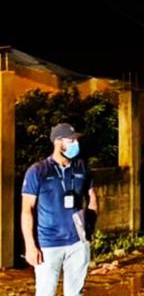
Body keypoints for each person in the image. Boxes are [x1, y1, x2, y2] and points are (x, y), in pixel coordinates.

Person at [20, 122, 98, 296]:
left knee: (75, 293)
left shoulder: (82, 168)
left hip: (78, 243)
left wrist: (89, 226)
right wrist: (30, 245)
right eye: (71, 140)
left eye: (76, 140)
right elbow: (27, 210)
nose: (75, 144)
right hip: (48, 244)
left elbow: (92, 196)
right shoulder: (38, 171)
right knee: (46, 292)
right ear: (58, 142)